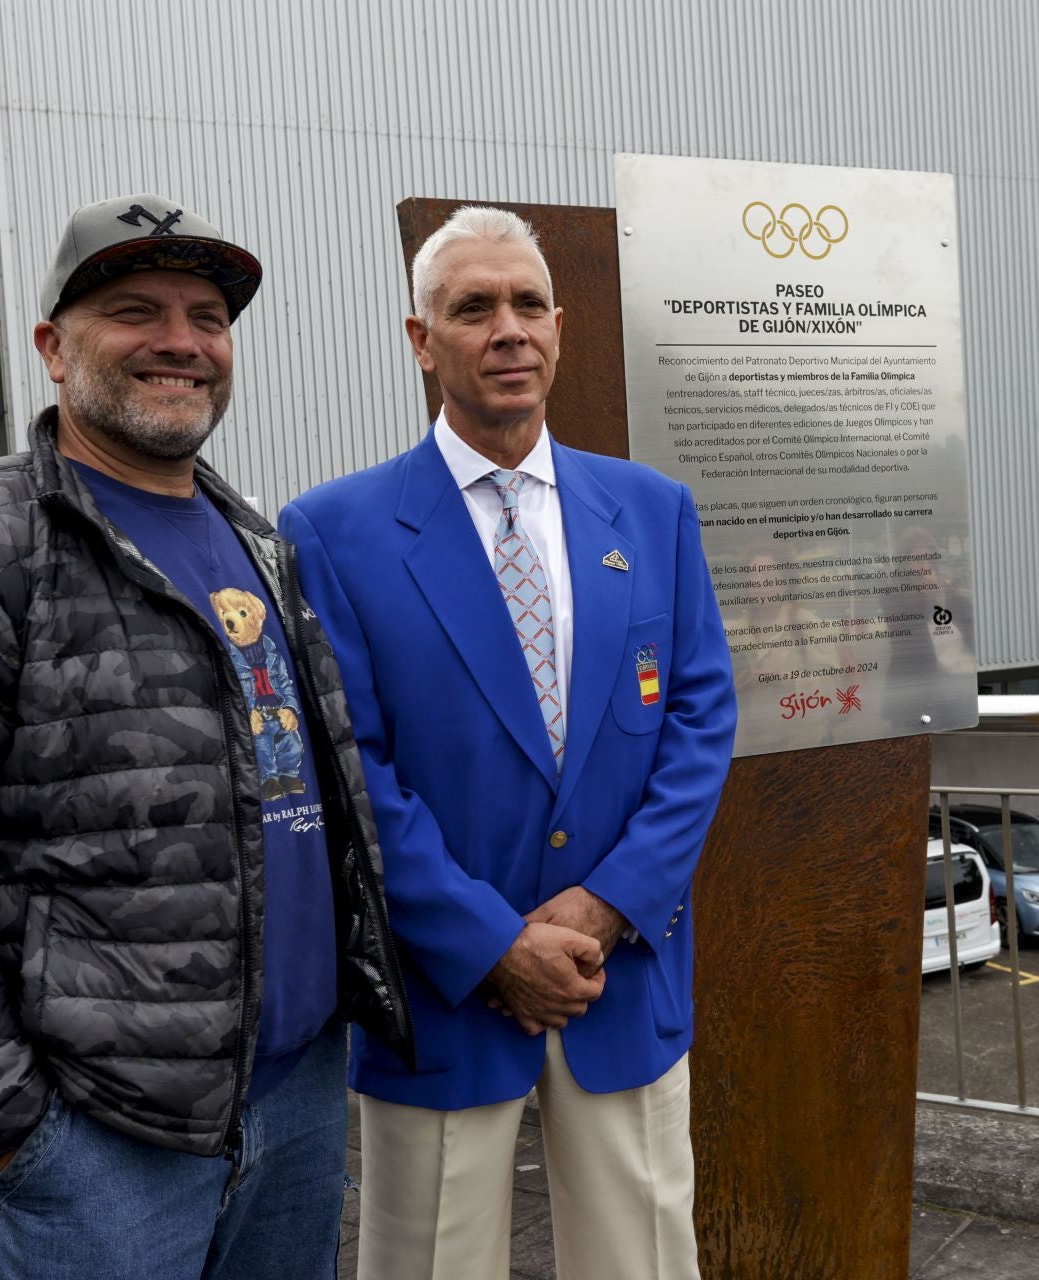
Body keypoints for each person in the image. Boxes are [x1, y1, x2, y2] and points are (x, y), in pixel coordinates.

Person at [0, 193, 411, 1280]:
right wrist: (3, 1127)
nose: (181, 341)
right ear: (51, 346)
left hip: (296, 1099)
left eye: (207, 317)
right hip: (99, 1142)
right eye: (136, 310)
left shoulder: (257, 540)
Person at [282, 206, 737, 1280]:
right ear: (419, 336)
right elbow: (355, 770)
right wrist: (493, 943)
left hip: (615, 975)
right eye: (472, 307)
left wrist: (606, 902)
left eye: (528, 303)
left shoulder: (652, 509)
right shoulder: (331, 530)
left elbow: (700, 719)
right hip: (446, 993)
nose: (508, 329)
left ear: (561, 327)